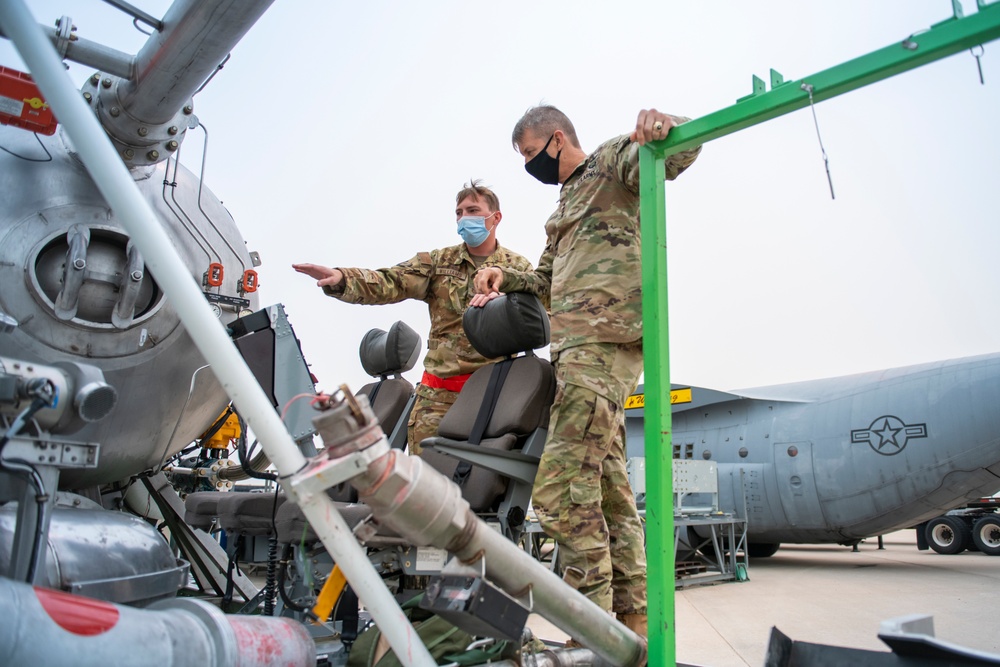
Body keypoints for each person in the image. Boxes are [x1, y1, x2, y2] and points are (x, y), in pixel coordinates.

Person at [471, 106, 702, 640]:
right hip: (574, 353)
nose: (529, 165)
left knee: (557, 490)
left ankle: (591, 629)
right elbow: (547, 276)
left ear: (555, 138)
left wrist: (663, 125)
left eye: (530, 153)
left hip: (605, 346)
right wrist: (504, 276)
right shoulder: (566, 202)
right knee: (606, 487)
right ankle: (633, 622)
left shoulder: (608, 161)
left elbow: (678, 150)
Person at [293, 181, 533, 456]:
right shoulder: (439, 262)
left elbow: (537, 314)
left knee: (483, 484)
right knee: (424, 483)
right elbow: (391, 281)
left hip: (493, 395)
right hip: (438, 398)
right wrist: (342, 279)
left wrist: (501, 303)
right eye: (459, 212)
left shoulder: (517, 268)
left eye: (473, 210)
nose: (464, 218)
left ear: (495, 217)